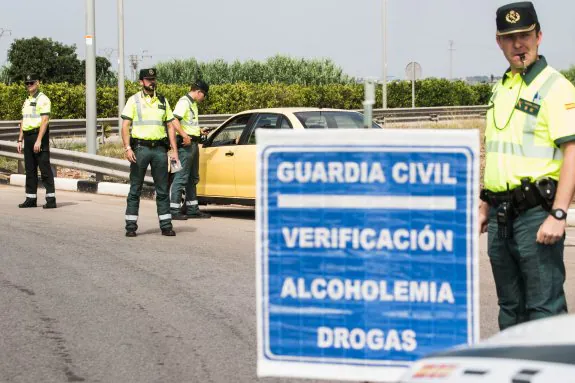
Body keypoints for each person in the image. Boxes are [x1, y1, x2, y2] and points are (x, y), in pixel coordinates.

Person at [479, 1, 575, 330]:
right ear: (499, 42)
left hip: (536, 214)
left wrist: (559, 214)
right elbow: (497, 151)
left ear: (539, 36)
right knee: (510, 310)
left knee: (544, 310)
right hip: (499, 215)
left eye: (525, 35)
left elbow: (573, 153)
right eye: (510, 37)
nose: (518, 43)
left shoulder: (555, 87)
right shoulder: (501, 88)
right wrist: (483, 203)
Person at [121, 68, 180, 237]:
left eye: (153, 79)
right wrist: (127, 147)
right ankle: (131, 226)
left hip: (160, 151)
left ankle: (166, 225)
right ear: (141, 82)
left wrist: (174, 151)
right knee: (135, 189)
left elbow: (170, 126)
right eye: (148, 79)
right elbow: (125, 125)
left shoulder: (163, 101)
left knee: (162, 190)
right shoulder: (133, 100)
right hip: (140, 149)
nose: (151, 82)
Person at [169, 80, 212, 219]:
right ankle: (174, 211)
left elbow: (189, 123)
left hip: (193, 144)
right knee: (181, 178)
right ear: (198, 92)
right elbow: (173, 120)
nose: (204, 98)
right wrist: (184, 135)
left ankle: (192, 209)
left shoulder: (192, 104)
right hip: (185, 146)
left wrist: (199, 131)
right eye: (204, 95)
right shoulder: (184, 102)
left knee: (193, 178)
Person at [16, 73, 56, 209]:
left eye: (31, 83)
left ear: (37, 83)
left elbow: (45, 121)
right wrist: (20, 139)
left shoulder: (43, 99)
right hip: (27, 136)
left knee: (44, 168)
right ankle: (31, 198)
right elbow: (23, 120)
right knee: (30, 169)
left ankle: (51, 199)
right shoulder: (27, 100)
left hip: (39, 136)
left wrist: (39, 140)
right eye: (27, 83)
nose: (29, 85)